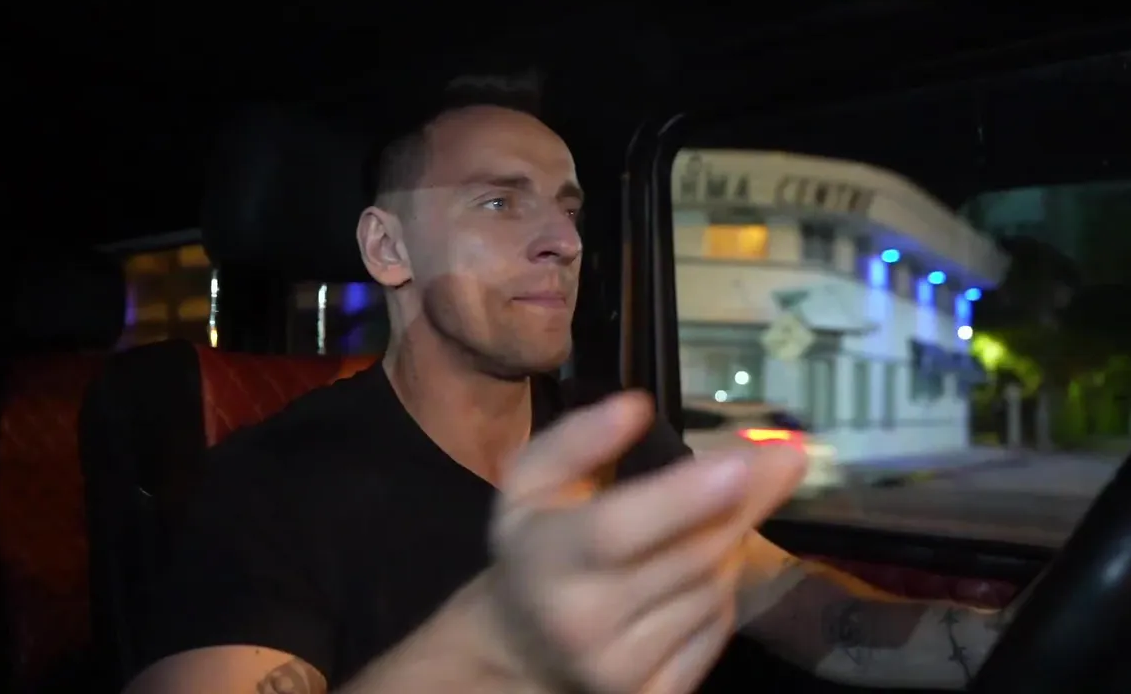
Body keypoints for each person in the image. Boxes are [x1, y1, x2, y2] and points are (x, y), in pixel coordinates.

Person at [125, 78, 1021, 694]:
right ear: (389, 249)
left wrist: (1027, 637)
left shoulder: (615, 436)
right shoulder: (271, 486)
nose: (563, 240)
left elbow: (819, 619)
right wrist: (498, 650)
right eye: (499, 201)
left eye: (567, 206)